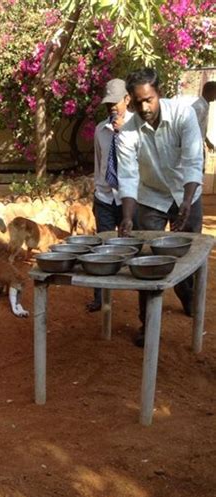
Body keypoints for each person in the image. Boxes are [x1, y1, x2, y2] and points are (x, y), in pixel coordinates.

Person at [117, 68, 204, 347]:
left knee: (189, 257)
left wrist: (187, 202)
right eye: (139, 101)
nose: (145, 107)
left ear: (159, 94)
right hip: (151, 198)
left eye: (149, 100)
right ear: (130, 100)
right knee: (149, 263)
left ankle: (188, 296)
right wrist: (127, 217)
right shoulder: (127, 131)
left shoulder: (184, 115)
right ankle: (147, 323)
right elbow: (128, 176)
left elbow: (193, 162)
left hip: (187, 193)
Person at [86, 78, 133, 312]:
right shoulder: (100, 130)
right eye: (107, 104)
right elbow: (98, 161)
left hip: (128, 199)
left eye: (115, 102)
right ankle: (101, 296)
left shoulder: (138, 128)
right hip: (105, 197)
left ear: (127, 99)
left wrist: (123, 132)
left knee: (128, 246)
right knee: (103, 246)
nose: (111, 108)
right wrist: (98, 188)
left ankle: (137, 294)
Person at [192, 80, 216, 153]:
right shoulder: (199, 107)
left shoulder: (205, 106)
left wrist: (207, 142)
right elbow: (192, 128)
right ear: (210, 92)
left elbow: (200, 128)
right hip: (193, 146)